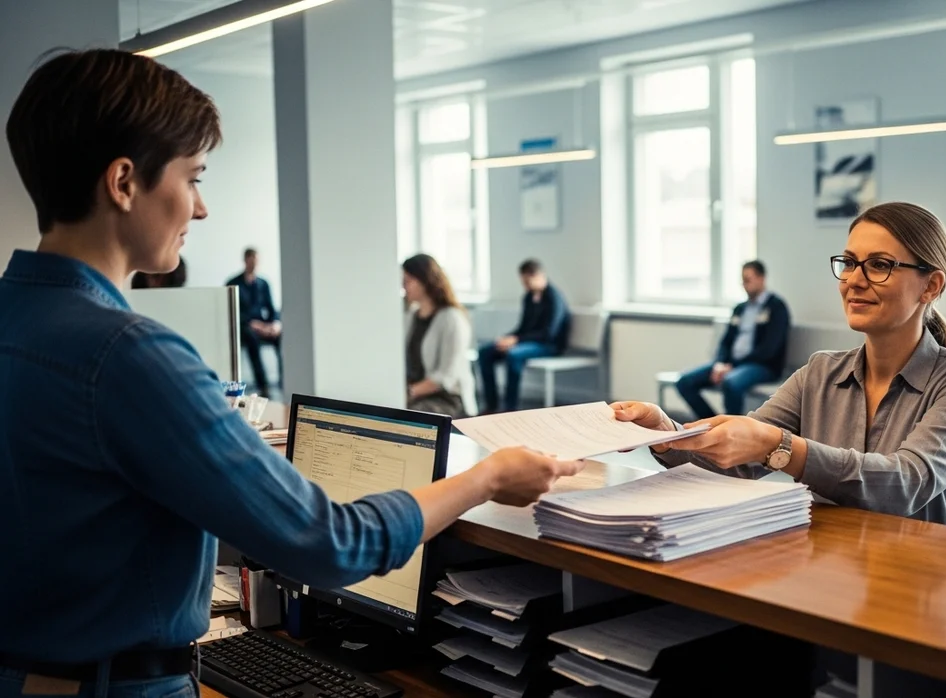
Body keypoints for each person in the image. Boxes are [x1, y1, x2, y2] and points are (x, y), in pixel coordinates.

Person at [0, 48, 583, 696]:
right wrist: (487, 477)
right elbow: (330, 546)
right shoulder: (130, 355)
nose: (201, 209)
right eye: (193, 178)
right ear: (124, 182)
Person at [613, 202, 946, 530]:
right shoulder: (819, 374)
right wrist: (665, 433)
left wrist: (776, 446)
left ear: (931, 286)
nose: (854, 280)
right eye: (848, 263)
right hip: (837, 572)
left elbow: (903, 485)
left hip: (930, 586)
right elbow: (734, 465)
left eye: (878, 265)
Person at [675, 260, 791, 419]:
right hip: (730, 364)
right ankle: (712, 424)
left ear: (761, 278)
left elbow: (769, 349)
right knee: (684, 382)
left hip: (762, 366)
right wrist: (720, 363)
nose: (745, 284)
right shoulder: (740, 309)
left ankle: (733, 431)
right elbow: (726, 341)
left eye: (748, 279)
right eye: (743, 280)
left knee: (731, 382)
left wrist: (731, 366)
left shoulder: (776, 307)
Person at [477, 259, 570, 413]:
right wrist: (507, 338)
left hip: (549, 346)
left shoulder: (554, 298)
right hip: (527, 342)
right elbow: (523, 328)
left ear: (539, 275)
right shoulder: (528, 297)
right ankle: (490, 406)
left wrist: (516, 340)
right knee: (485, 352)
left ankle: (509, 408)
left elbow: (549, 333)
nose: (525, 285)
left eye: (528, 281)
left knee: (513, 355)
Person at [403, 253, 477, 417]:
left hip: (448, 399)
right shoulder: (411, 316)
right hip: (418, 393)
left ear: (424, 281)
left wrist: (407, 392)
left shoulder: (452, 318)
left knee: (406, 416)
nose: (404, 287)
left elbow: (446, 377)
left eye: (408, 281)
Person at [226, 247, 282, 398]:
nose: (254, 265)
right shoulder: (233, 283)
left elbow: (271, 308)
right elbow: (232, 311)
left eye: (256, 261)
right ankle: (263, 385)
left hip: (262, 324)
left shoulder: (264, 284)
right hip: (245, 326)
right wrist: (253, 324)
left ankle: (284, 380)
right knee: (251, 338)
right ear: (245, 260)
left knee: (281, 337)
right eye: (251, 261)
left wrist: (275, 323)